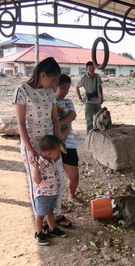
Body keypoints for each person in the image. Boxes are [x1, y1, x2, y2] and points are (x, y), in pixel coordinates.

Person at [13, 57, 70, 237]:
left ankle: (52, 218)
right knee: (37, 185)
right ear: (43, 74)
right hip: (34, 146)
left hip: (52, 146)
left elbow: (55, 120)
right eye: (53, 79)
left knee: (56, 180)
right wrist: (30, 149)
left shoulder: (49, 93)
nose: (55, 84)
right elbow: (21, 123)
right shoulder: (22, 91)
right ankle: (40, 223)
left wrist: (58, 145)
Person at [30, 135, 67, 245]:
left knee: (50, 211)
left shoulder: (51, 160)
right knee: (40, 214)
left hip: (52, 193)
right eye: (57, 151)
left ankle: (53, 228)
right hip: (43, 194)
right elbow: (37, 180)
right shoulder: (40, 164)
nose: (58, 154)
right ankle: (39, 233)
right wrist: (35, 168)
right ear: (49, 153)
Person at [55, 74, 84, 206]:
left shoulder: (68, 102)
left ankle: (71, 195)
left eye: (67, 90)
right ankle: (57, 203)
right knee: (55, 176)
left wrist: (58, 124)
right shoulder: (48, 101)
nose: (65, 92)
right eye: (62, 89)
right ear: (55, 86)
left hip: (68, 144)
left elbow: (72, 116)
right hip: (53, 143)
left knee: (74, 176)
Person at [76, 61, 104, 133]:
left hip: (97, 101)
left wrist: (102, 97)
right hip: (89, 102)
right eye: (90, 68)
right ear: (87, 69)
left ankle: (98, 133)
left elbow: (100, 86)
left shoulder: (97, 76)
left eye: (93, 68)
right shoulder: (84, 77)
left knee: (99, 118)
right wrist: (80, 98)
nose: (92, 69)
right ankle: (89, 135)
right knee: (89, 119)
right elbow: (77, 87)